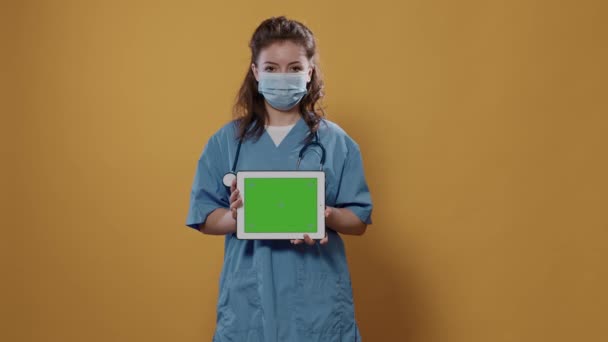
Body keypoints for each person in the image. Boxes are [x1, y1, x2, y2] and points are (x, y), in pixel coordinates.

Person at [186, 16, 373, 342]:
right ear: (256, 73)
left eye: (293, 67)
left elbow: (358, 220)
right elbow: (204, 217)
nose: (282, 76)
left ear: (309, 71)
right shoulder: (226, 142)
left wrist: (324, 215)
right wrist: (240, 216)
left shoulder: (336, 142)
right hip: (249, 300)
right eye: (271, 68)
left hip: (317, 302)